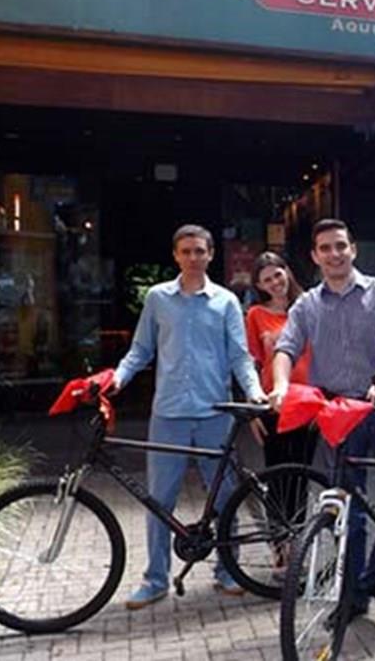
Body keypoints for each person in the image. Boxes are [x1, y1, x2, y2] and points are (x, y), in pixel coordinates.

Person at [270, 218, 375, 615]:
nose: (334, 254)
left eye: (340, 245)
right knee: (346, 509)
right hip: (336, 411)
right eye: (325, 248)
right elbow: (285, 348)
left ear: (353, 249)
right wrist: (281, 386)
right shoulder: (306, 305)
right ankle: (352, 599)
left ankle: (374, 576)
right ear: (314, 256)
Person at [112, 224, 266, 609]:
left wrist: (254, 392)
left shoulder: (226, 301)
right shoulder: (157, 298)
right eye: (186, 251)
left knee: (225, 496)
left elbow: (239, 356)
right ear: (175, 255)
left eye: (200, 251)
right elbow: (141, 350)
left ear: (211, 254)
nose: (193, 257)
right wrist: (118, 379)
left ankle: (228, 571)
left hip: (216, 413)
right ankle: (155, 579)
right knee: (159, 500)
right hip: (169, 413)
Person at [244, 252, 317, 569]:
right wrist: (252, 409)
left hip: (308, 404)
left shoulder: (310, 307)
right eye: (267, 279)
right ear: (259, 286)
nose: (275, 282)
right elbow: (250, 363)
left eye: (278, 274)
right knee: (277, 476)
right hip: (273, 405)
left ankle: (296, 544)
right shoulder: (256, 315)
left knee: (301, 477)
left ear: (288, 272)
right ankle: (279, 544)